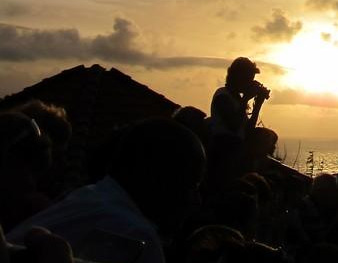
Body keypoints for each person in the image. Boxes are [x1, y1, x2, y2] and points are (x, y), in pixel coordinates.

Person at [8, 118, 206, 263]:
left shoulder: (88, 198)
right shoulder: (135, 236)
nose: (196, 200)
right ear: (156, 178)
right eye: (191, 185)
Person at [208, 58, 269, 190]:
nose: (250, 83)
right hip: (223, 151)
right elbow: (234, 125)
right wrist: (246, 98)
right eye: (248, 79)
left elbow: (247, 130)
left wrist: (257, 105)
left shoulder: (237, 99)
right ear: (237, 77)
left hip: (235, 152)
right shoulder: (222, 95)